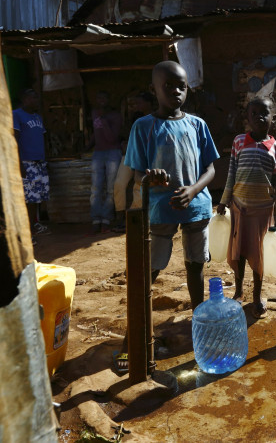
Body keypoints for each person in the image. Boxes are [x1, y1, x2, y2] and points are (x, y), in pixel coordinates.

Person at [116, 61, 219, 372]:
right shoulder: (143, 127)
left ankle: (199, 327)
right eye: (168, 86)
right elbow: (136, 171)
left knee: (195, 267)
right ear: (154, 90)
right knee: (149, 273)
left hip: (197, 207)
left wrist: (193, 189)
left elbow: (211, 168)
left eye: (182, 86)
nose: (176, 91)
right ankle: (132, 341)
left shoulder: (198, 125)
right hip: (159, 211)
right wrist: (152, 178)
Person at [217, 96, 276, 319]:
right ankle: (238, 291)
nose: (259, 117)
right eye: (254, 113)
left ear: (273, 118)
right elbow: (231, 173)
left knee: (258, 255)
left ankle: (257, 295)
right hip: (239, 208)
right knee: (238, 254)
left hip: (262, 212)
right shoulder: (239, 142)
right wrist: (223, 200)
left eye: (264, 113)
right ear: (247, 118)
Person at [112, 91, 155, 232]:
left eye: (139, 103)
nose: (136, 106)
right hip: (130, 155)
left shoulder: (156, 118)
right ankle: (120, 216)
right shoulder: (134, 118)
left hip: (145, 157)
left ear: (149, 103)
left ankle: (132, 219)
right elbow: (124, 135)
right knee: (119, 184)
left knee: (139, 187)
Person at [13, 89, 50, 242]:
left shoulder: (37, 117)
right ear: (24, 99)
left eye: (36, 98)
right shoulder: (16, 114)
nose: (36, 100)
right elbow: (14, 140)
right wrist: (19, 163)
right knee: (27, 199)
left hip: (39, 162)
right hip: (26, 162)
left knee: (36, 198)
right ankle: (26, 233)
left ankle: (33, 225)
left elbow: (43, 138)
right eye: (33, 97)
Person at [87, 91, 122, 233]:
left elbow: (112, 138)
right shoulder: (94, 113)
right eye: (98, 97)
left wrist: (104, 121)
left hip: (113, 153)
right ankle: (96, 219)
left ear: (109, 100)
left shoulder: (116, 116)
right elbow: (95, 134)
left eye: (104, 97)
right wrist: (87, 147)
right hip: (98, 153)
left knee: (110, 188)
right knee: (96, 188)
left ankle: (106, 219)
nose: (101, 100)